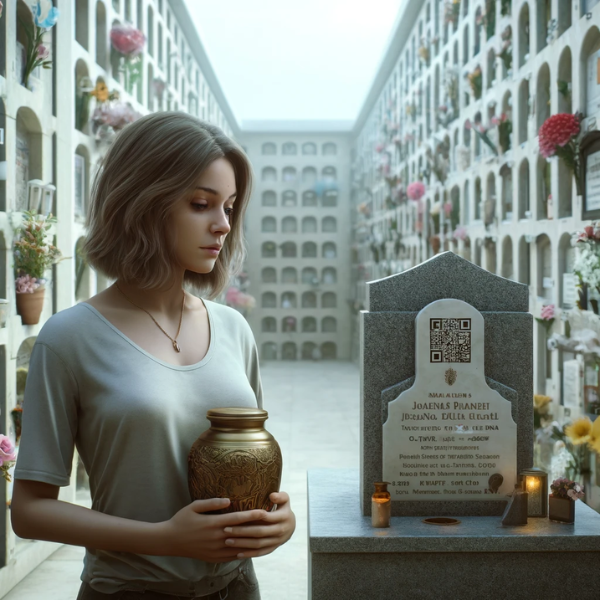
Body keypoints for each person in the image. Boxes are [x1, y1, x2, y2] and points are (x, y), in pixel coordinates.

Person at [11, 112, 296, 600]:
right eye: (202, 204)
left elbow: (249, 463)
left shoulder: (232, 328)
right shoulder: (70, 337)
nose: (223, 225)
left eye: (229, 207)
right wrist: (162, 538)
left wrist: (276, 519)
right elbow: (29, 510)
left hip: (238, 588)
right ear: (143, 202)